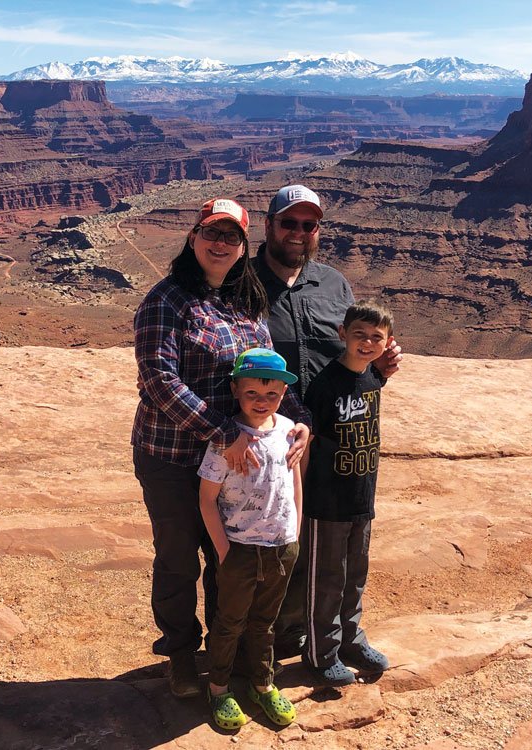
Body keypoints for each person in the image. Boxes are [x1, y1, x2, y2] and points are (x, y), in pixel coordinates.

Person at [131, 198, 309, 699]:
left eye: (231, 237)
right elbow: (159, 380)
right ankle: (183, 655)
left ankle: (223, 657)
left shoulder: (244, 302)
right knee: (178, 559)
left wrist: (299, 421)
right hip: (171, 457)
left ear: (241, 247)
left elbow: (268, 372)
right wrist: (222, 431)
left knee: (226, 559)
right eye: (211, 233)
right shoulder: (165, 300)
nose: (219, 244)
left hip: (234, 463)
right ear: (193, 238)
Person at [252, 184, 402, 659]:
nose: (298, 233)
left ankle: (336, 637)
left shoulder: (335, 284)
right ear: (270, 225)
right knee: (273, 546)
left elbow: (353, 357)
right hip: (271, 440)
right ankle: (267, 642)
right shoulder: (242, 281)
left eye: (308, 225)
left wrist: (379, 367)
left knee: (338, 547)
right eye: (289, 223)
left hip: (334, 443)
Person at [198, 347, 302, 730]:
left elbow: (294, 483)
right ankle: (219, 688)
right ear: (236, 390)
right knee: (229, 623)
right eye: (252, 394)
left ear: (282, 393)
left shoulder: (289, 431)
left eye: (271, 394)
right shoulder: (225, 440)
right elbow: (207, 499)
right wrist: (224, 551)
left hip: (280, 548)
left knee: (265, 622)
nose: (262, 402)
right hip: (240, 550)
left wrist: (295, 530)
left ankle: (262, 682)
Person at [303, 300, 394, 686]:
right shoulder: (324, 385)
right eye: (359, 334)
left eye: (377, 337)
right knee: (326, 579)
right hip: (326, 502)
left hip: (361, 498)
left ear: (388, 342)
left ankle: (351, 642)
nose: (367, 342)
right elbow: (307, 441)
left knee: (355, 575)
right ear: (343, 334)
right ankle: (320, 652)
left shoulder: (373, 379)